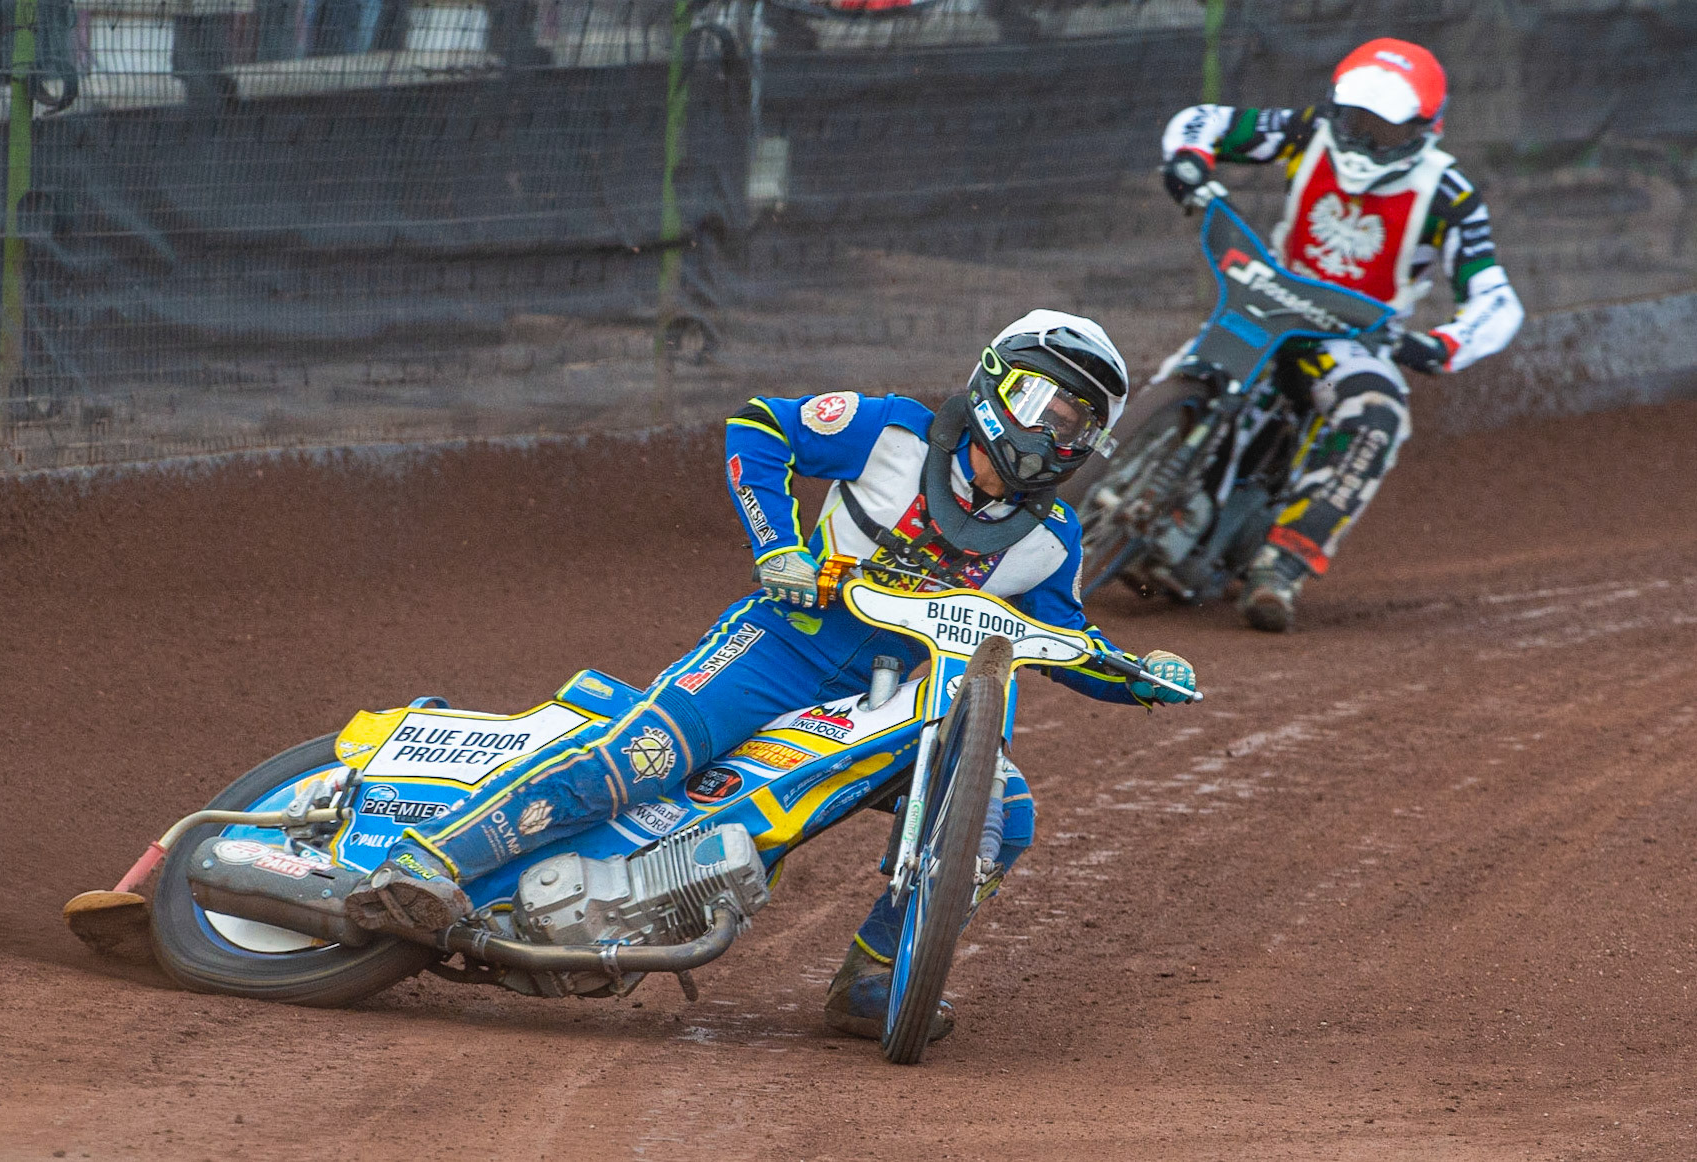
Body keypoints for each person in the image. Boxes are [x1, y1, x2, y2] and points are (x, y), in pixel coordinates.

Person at [343, 310, 1198, 1041]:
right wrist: (778, 545)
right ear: (994, 385)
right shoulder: (893, 429)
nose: (1056, 434)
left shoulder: (1052, 541)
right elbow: (761, 427)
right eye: (1044, 405)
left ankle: (874, 982)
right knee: (641, 760)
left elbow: (1067, 638)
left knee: (1002, 817)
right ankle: (429, 865)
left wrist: (1140, 675)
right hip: (784, 644)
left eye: (1080, 424)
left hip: (907, 704)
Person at [1157, 38, 1524, 631]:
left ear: (1426, 128)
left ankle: (1280, 566)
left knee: (1377, 413)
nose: (1365, 138)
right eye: (1356, 120)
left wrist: (1438, 344)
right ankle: (1099, 486)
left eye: (1384, 129)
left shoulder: (1448, 195)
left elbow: (1496, 301)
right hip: (1269, 298)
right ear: (1335, 109)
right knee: (1173, 375)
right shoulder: (1309, 133)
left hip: (1354, 334)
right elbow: (1209, 122)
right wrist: (1189, 159)